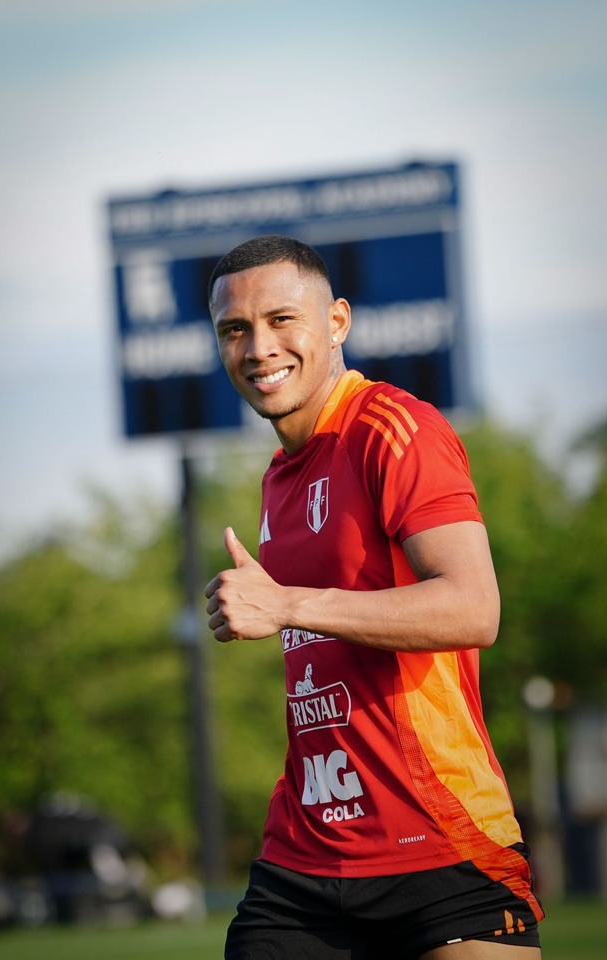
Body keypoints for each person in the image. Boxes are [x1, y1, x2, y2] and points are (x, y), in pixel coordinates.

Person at [204, 235, 544, 959]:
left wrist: (288, 603)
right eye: (235, 329)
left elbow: (472, 608)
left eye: (281, 320)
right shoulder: (279, 472)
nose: (259, 347)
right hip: (306, 850)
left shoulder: (396, 429)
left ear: (337, 323)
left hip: (438, 839)